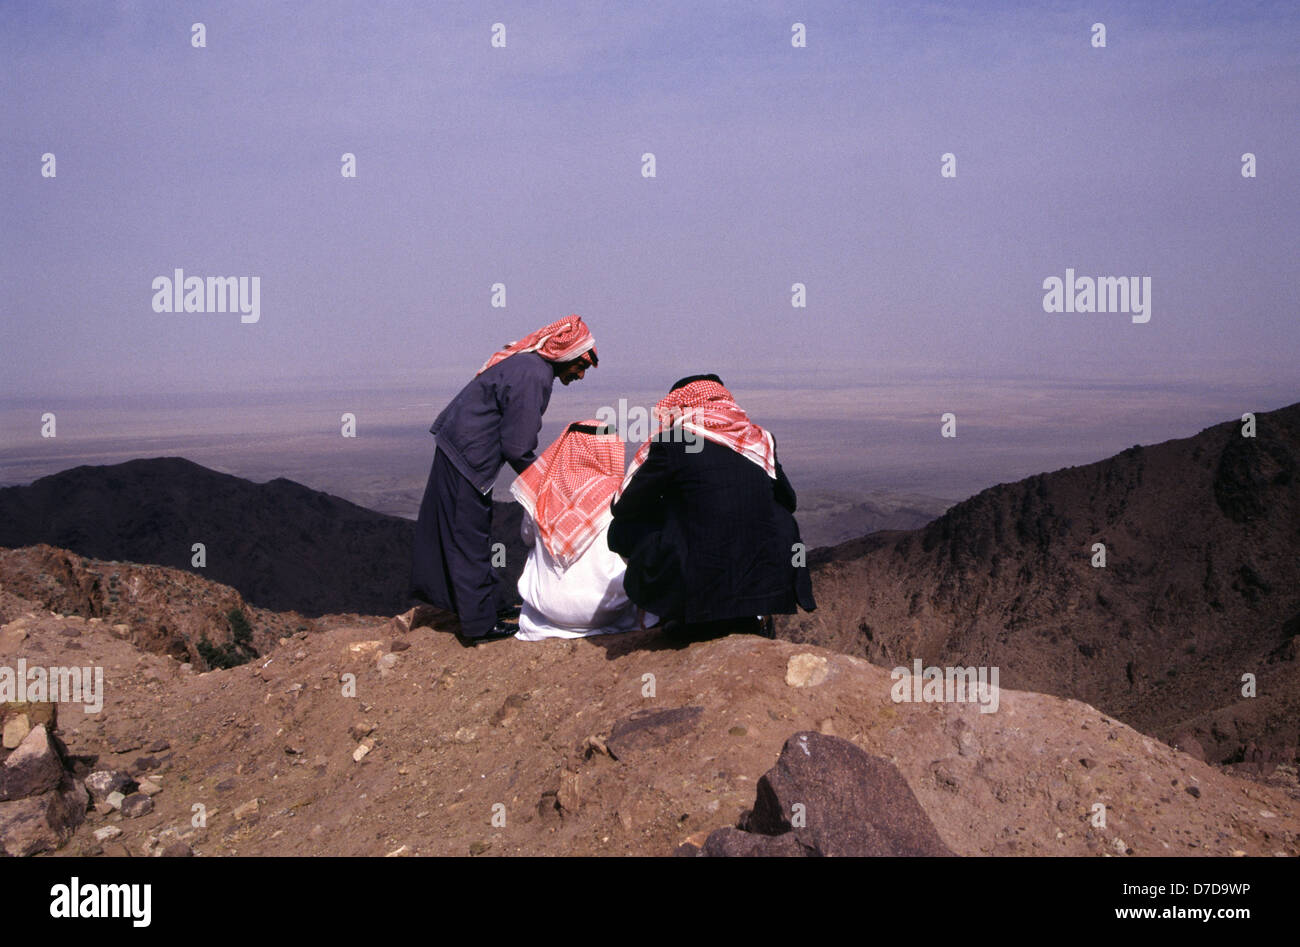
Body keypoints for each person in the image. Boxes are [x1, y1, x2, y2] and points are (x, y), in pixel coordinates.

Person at [410, 315, 596, 645]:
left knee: (470, 530)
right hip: (467, 456)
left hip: (462, 451)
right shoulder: (535, 374)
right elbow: (518, 445)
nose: (580, 374)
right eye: (580, 365)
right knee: (466, 534)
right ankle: (479, 625)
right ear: (567, 355)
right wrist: (545, 486)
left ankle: (484, 606)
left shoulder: (529, 367)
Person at [608, 374, 815, 641]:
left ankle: (674, 606)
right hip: (762, 579)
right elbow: (789, 501)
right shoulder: (760, 440)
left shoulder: (674, 442)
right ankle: (755, 613)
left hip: (700, 574)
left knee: (621, 530)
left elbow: (624, 508)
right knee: (776, 519)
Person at [509, 421, 653, 640]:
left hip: (547, 609)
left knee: (537, 545)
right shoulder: (620, 494)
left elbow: (526, 538)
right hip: (608, 610)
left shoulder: (541, 493)